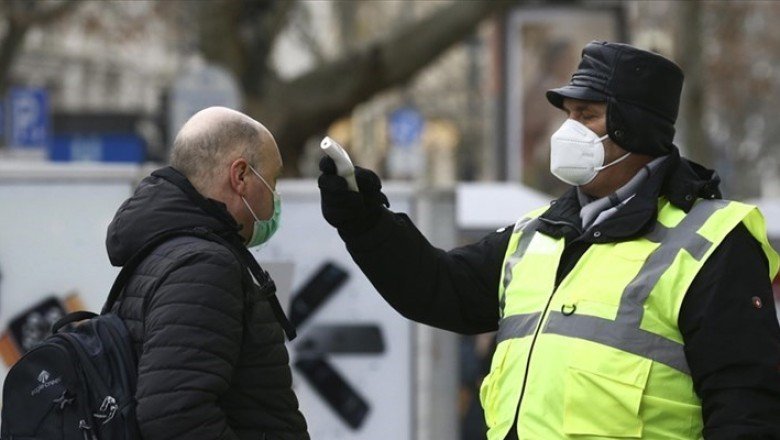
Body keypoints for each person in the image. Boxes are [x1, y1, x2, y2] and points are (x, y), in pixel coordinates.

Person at [318, 41, 780, 439]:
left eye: (587, 115)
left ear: (633, 127)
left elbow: (746, 407)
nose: (569, 131)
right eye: (568, 114)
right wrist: (364, 222)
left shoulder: (713, 243)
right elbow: (439, 288)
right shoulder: (537, 233)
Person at [106, 107, 309, 439]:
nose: (275, 196)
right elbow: (175, 413)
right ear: (240, 176)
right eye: (273, 180)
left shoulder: (167, 251)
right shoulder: (205, 266)